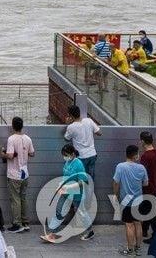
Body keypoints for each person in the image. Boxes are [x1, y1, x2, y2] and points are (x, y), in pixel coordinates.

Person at [64, 104, 100, 240]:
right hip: (92, 155)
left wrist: (68, 123)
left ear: (71, 116)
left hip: (82, 158)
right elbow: (99, 132)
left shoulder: (71, 127)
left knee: (80, 187)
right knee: (89, 184)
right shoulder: (89, 121)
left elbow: (67, 138)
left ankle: (82, 212)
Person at [41, 143, 88, 243]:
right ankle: (52, 234)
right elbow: (66, 176)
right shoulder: (67, 162)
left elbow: (82, 181)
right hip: (66, 192)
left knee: (81, 213)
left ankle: (90, 231)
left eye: (66, 154)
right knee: (59, 211)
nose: (64, 157)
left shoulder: (78, 164)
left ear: (72, 154)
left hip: (77, 193)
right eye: (64, 155)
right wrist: (61, 185)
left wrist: (69, 186)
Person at [113, 144, 149, 256]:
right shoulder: (141, 168)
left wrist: (116, 194)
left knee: (129, 225)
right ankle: (138, 248)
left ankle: (130, 250)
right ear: (135, 155)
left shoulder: (120, 167)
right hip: (139, 200)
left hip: (126, 201)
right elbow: (146, 183)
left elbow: (116, 182)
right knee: (138, 224)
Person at [1, 115, 34, 233]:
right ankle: (25, 222)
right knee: (23, 198)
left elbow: (9, 155)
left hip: (14, 174)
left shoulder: (11, 139)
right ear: (22, 126)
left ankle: (17, 224)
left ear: (13, 126)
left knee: (15, 199)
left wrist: (2, 154)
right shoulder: (28, 138)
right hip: (25, 173)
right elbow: (32, 153)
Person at [138, 131, 156, 241]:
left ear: (143, 141)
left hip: (147, 187)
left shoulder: (145, 156)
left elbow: (142, 174)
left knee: (150, 212)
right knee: (147, 209)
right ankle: (144, 230)